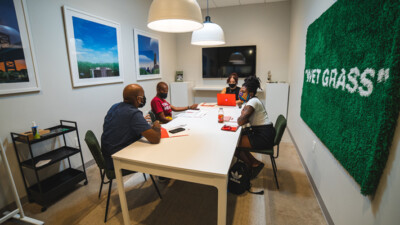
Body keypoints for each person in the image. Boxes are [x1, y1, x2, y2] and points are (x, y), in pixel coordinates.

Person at [101, 84, 161, 170]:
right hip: (118, 159)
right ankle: (162, 174)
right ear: (138, 99)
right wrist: (156, 124)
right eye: (143, 96)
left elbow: (123, 123)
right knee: (156, 148)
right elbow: (155, 138)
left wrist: (140, 121)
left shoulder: (114, 107)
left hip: (107, 155)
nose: (143, 99)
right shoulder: (133, 113)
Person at [236, 76, 276, 179]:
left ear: (251, 94)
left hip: (264, 136)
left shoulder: (252, 102)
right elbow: (244, 119)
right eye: (240, 90)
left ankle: (250, 165)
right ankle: (255, 163)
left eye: (243, 92)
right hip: (265, 132)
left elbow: (241, 121)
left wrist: (243, 114)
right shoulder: (253, 100)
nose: (240, 93)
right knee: (238, 141)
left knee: (234, 145)